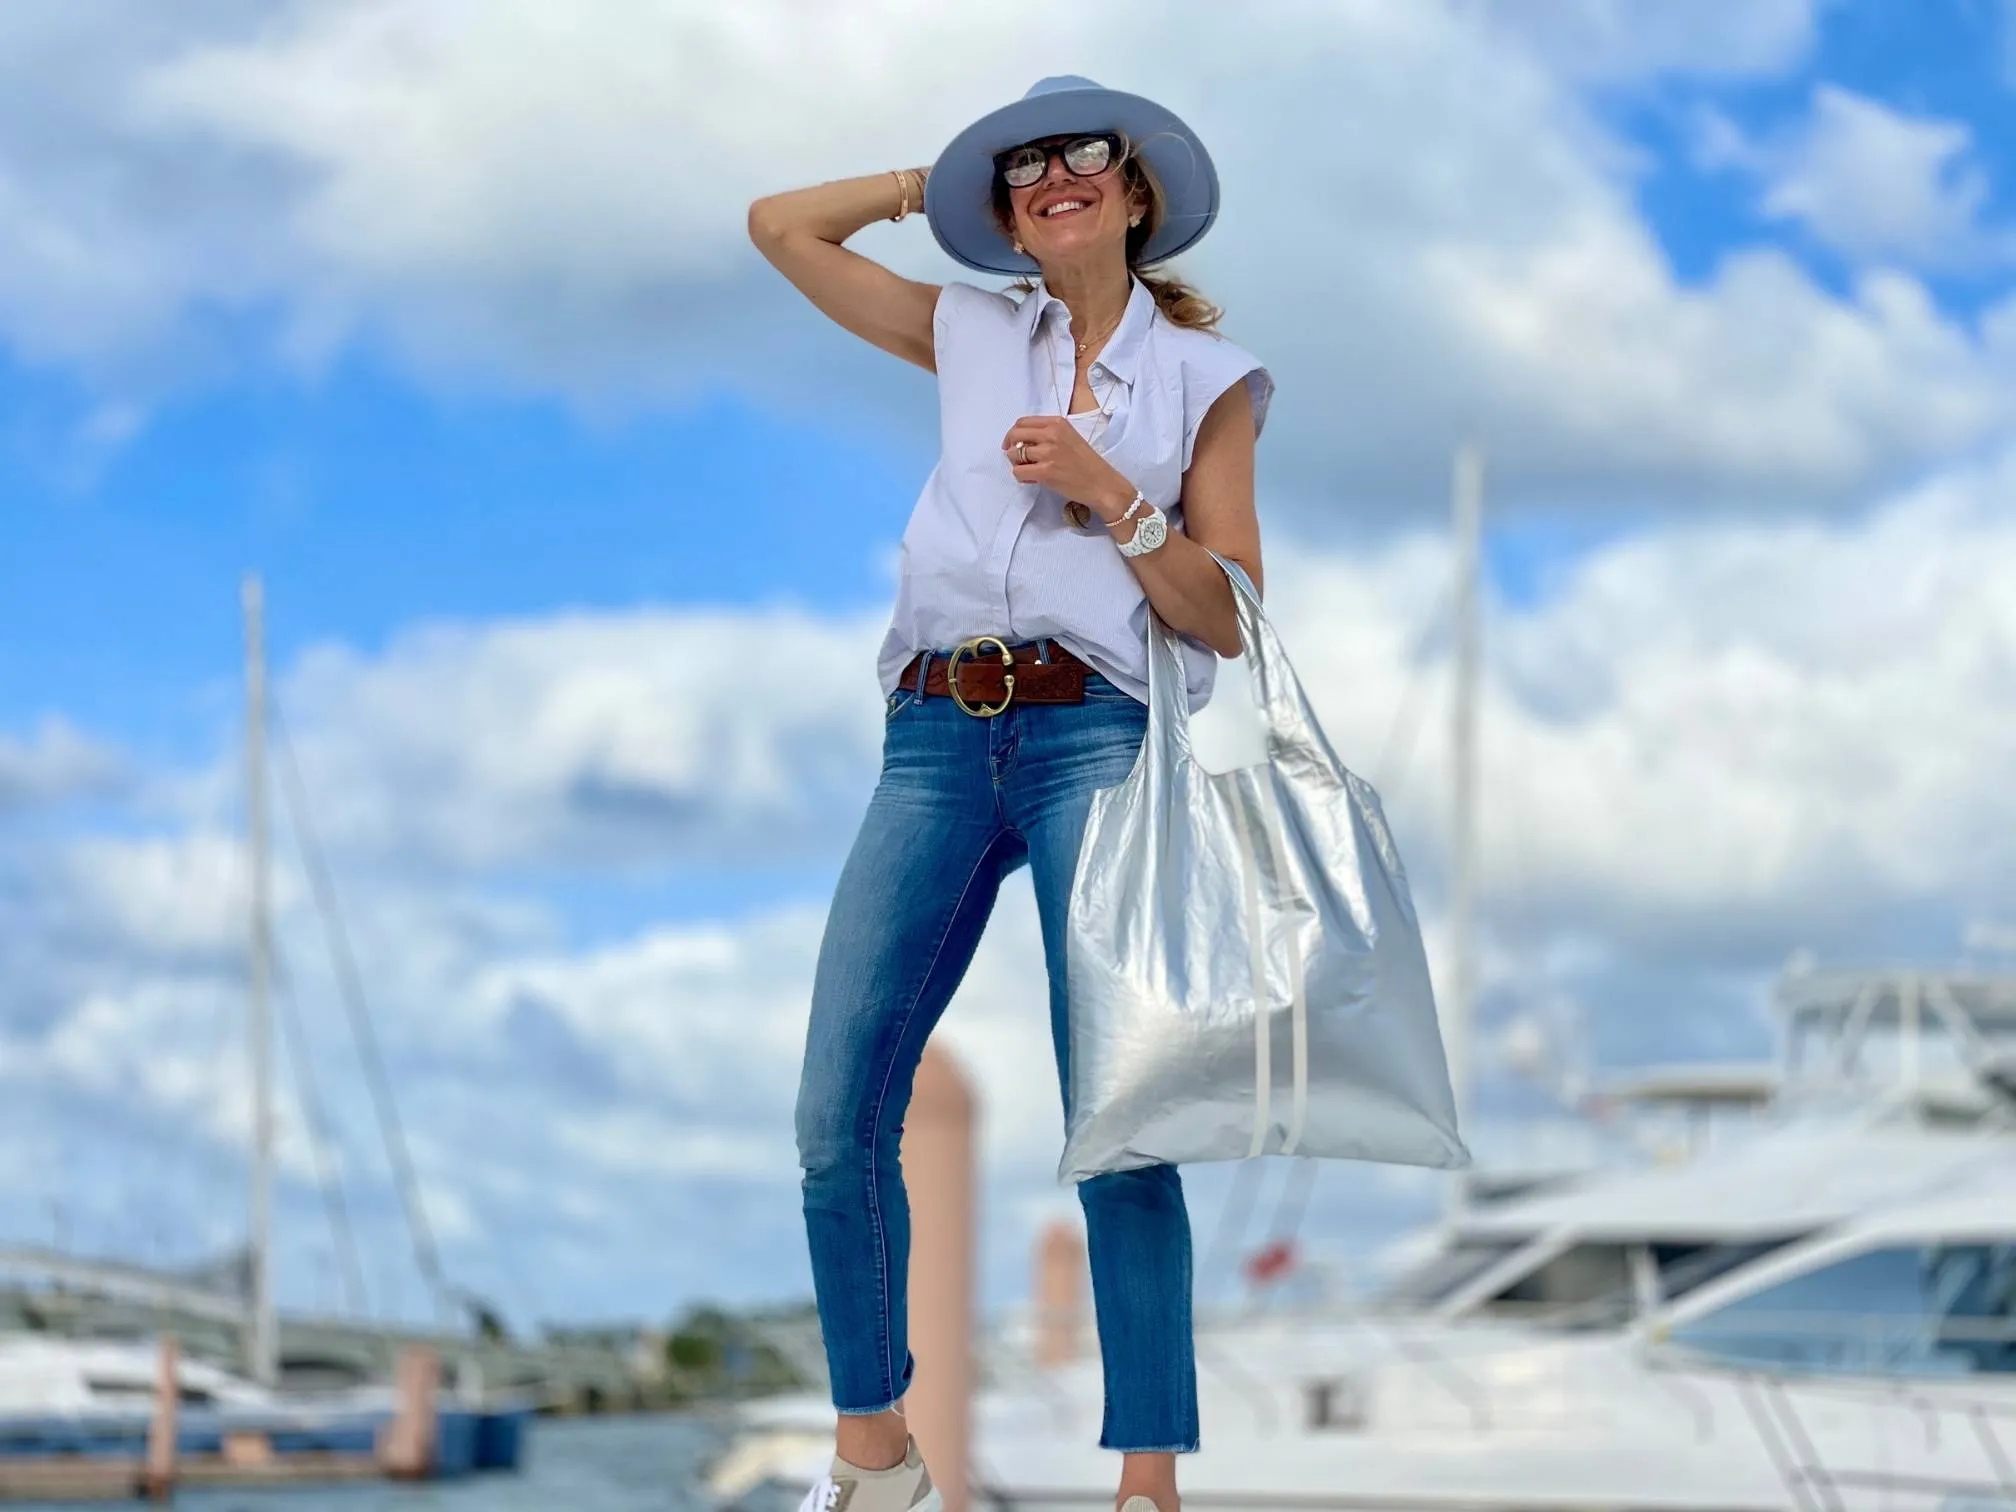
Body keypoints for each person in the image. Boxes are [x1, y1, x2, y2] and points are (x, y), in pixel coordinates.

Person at [748, 75, 1272, 1512]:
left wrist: (1119, 494)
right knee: (835, 1101)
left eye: (1080, 156)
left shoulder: (1206, 385)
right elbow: (779, 229)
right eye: (1024, 166)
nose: (1053, 177)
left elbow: (1224, 615)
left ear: (1139, 188)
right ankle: (877, 1459)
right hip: (931, 731)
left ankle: (1146, 1485)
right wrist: (936, 180)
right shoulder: (970, 328)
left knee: (1120, 1106)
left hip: (1092, 732)